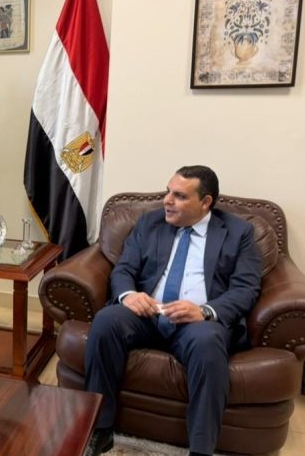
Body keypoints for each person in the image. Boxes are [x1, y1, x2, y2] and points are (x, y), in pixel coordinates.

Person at [84, 166, 261, 456]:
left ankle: (200, 450)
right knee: (106, 322)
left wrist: (205, 311)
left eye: (179, 196)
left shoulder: (238, 232)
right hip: (148, 313)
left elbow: (246, 288)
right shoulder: (150, 222)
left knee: (208, 343)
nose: (167, 200)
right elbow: (124, 269)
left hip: (197, 323)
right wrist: (129, 295)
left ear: (205, 202)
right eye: (168, 191)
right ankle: (100, 430)